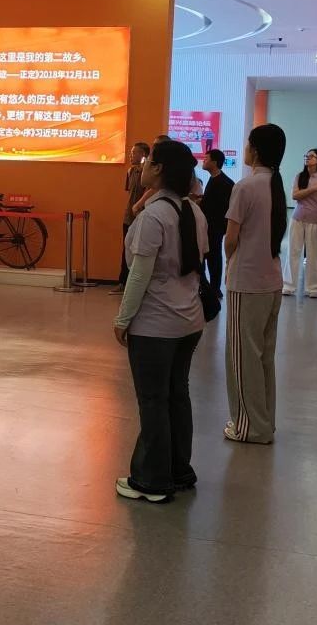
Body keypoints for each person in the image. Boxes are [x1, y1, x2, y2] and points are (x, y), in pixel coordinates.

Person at [112, 140, 208, 503]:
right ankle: (179, 469)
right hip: (189, 321)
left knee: (153, 400)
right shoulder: (193, 211)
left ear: (160, 169)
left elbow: (139, 275)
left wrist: (123, 318)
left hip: (155, 325)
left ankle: (151, 480)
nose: (143, 164)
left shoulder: (153, 217)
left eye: (149, 159)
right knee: (177, 395)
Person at [223, 124, 286, 443]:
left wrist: (228, 265)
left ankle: (250, 426)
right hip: (271, 280)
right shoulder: (276, 185)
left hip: (246, 281)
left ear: (256, 150)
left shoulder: (245, 187)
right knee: (263, 357)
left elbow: (231, 238)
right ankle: (263, 422)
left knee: (242, 358)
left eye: (248, 144)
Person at [285, 148, 317, 297]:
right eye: (306, 156)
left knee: (314, 254)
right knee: (293, 252)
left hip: (316, 219)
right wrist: (314, 188)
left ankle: (314, 288)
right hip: (297, 217)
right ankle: (289, 285)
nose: (307, 158)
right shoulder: (300, 176)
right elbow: (295, 195)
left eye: (311, 156)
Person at [110, 141, 150, 296]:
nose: (131, 155)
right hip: (129, 216)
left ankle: (140, 285)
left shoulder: (149, 173)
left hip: (143, 216)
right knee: (126, 249)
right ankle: (123, 282)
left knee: (141, 250)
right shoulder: (130, 171)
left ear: (143, 155)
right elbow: (130, 192)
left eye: (134, 152)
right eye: (131, 152)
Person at [200, 148, 234, 297]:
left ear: (214, 162)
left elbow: (223, 207)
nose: (203, 160)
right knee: (209, 256)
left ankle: (214, 289)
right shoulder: (214, 179)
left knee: (213, 257)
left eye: (206, 158)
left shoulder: (224, 183)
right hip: (209, 226)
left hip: (215, 227)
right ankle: (209, 287)